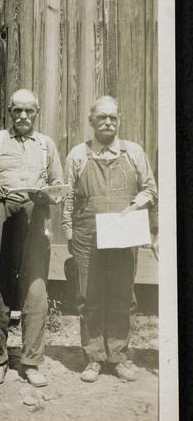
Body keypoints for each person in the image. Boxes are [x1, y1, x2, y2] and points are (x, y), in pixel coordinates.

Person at [0, 89, 64, 387]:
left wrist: (49, 196)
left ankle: (32, 362)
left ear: (37, 112)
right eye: (17, 111)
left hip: (34, 218)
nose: (23, 116)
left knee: (36, 290)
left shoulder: (47, 145)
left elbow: (59, 187)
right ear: (9, 112)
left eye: (29, 111)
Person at [62, 96, 158, 383]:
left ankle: (118, 357)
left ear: (119, 120)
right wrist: (68, 231)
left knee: (121, 295)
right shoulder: (78, 155)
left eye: (112, 118)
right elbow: (68, 198)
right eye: (102, 117)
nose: (107, 122)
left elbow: (151, 189)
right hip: (86, 232)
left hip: (124, 230)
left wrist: (138, 202)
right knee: (89, 296)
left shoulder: (134, 153)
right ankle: (93, 358)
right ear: (91, 121)